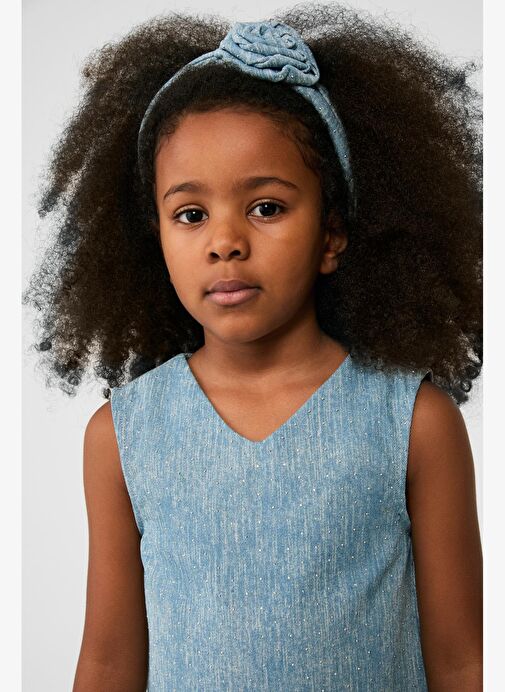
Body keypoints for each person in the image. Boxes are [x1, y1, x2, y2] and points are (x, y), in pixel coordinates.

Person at [24, 5, 483, 691]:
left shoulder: (412, 423)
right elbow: (110, 661)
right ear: (155, 238)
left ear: (331, 233)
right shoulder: (123, 436)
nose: (225, 241)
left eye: (266, 207)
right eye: (190, 214)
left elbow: (463, 661)